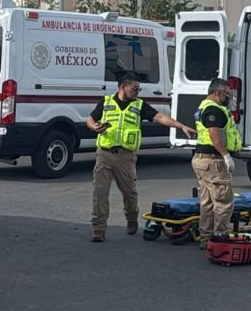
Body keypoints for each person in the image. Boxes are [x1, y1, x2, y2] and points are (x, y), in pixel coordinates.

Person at [85, 72, 195, 242]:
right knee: (100, 193)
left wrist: (180, 126)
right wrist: (94, 126)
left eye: (139, 89)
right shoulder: (106, 102)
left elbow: (160, 117)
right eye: (134, 89)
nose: (137, 92)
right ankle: (98, 229)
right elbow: (90, 118)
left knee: (129, 193)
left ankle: (131, 218)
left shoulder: (139, 105)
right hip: (104, 153)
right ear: (123, 87)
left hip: (126, 157)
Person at [192, 77, 242, 247]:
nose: (229, 98)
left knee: (207, 201)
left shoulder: (203, 106)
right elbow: (215, 135)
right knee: (223, 201)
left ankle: (206, 238)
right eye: (227, 94)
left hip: (201, 160)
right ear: (218, 92)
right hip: (214, 160)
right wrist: (226, 155)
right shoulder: (215, 110)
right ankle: (220, 237)